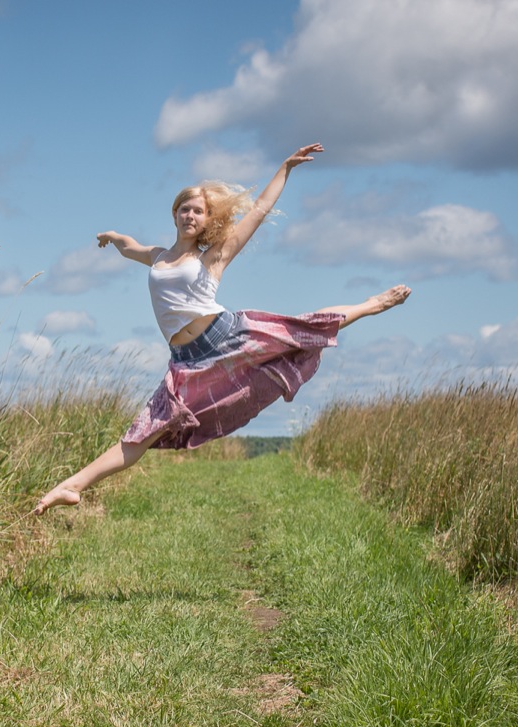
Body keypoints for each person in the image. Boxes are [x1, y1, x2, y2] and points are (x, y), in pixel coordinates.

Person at [34, 143, 410, 515]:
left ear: (206, 219)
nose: (190, 215)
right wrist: (112, 236)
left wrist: (285, 169)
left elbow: (259, 211)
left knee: (304, 328)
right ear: (175, 214)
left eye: (198, 211)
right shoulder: (158, 256)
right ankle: (71, 487)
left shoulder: (212, 256)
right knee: (144, 432)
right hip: (185, 363)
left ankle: (371, 304)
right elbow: (129, 246)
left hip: (228, 337)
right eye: (185, 209)